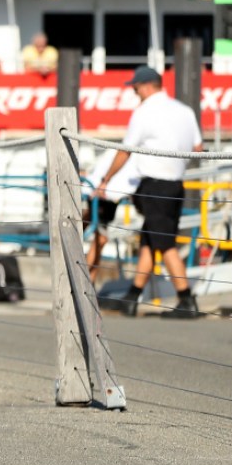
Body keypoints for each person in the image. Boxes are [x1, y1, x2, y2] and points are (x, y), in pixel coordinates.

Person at [93, 66, 203, 319]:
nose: (134, 92)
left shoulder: (144, 113)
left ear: (146, 86)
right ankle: (132, 298)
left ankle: (186, 300)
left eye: (135, 88)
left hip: (154, 186)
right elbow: (198, 147)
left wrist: (106, 180)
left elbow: (125, 150)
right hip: (176, 184)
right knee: (149, 241)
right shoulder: (184, 111)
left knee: (165, 245)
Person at [84, 150, 140, 284]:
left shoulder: (118, 151)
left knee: (96, 234)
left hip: (107, 192)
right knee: (100, 238)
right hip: (105, 193)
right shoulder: (125, 151)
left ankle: (86, 283)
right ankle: (85, 283)